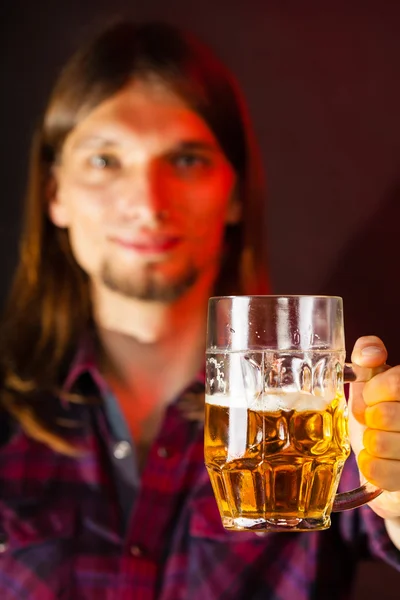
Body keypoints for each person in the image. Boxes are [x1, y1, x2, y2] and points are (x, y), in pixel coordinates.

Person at [0, 19, 399, 600]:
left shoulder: (326, 413)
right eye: (106, 161)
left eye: (185, 160)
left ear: (236, 194)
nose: (147, 203)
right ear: (54, 192)